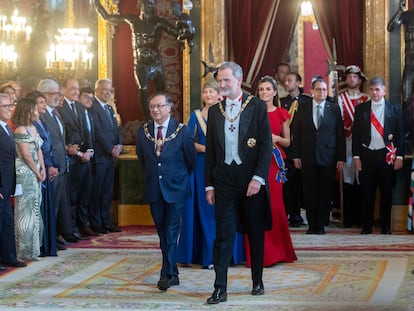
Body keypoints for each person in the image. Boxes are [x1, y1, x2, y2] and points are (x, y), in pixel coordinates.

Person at [204, 62, 272, 304]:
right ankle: (219, 288)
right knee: (223, 234)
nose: (221, 85)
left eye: (226, 81)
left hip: (250, 179)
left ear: (239, 79)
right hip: (224, 180)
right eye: (219, 81)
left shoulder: (255, 106)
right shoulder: (214, 111)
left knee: (254, 232)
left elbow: (266, 145)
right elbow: (211, 151)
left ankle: (257, 280)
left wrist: (258, 178)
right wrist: (209, 185)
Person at [176, 79, 245, 269]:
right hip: (200, 167)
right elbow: (188, 141)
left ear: (219, 94)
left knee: (224, 212)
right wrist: (208, 149)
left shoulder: (228, 113)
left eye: (211, 92)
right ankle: (206, 255)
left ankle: (229, 254)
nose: (208, 95)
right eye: (205, 92)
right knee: (204, 211)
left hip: (224, 166)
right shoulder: (196, 116)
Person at [93, 0, 195, 120]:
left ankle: (161, 118)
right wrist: (96, 2)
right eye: (147, 4)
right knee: (143, 89)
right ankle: (148, 120)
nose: (149, 7)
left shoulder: (158, 22)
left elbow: (177, 33)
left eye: (152, 5)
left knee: (161, 90)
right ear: (140, 5)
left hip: (156, 62)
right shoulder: (133, 20)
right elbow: (107, 17)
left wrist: (185, 22)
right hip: (141, 62)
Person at [136, 93, 196, 291]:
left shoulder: (182, 131)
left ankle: (166, 273)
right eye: (152, 106)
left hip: (176, 189)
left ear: (169, 108)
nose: (156, 110)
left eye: (160, 106)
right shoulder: (143, 132)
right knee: (162, 232)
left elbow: (191, 161)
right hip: (154, 189)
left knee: (171, 232)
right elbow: (143, 161)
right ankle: (173, 273)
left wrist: (177, 177)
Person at [243, 75, 297, 267]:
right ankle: (259, 252)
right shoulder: (250, 111)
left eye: (268, 89)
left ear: (275, 92)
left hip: (274, 162)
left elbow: (288, 141)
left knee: (274, 205)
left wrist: (274, 138)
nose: (264, 92)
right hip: (254, 161)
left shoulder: (282, 113)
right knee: (255, 204)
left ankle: (278, 251)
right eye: (261, 89)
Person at [292, 77, 345, 235]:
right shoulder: (302, 108)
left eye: (324, 89)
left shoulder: (334, 108)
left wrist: (341, 158)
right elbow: (297, 134)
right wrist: (296, 156)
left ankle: (321, 225)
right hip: (307, 157)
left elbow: (340, 135)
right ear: (312, 91)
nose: (322, 92)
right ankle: (312, 225)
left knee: (325, 193)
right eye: (318, 89)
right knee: (309, 193)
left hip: (328, 158)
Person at [352, 77, 405, 234]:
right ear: (369, 91)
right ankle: (366, 226)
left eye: (377, 89)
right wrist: (356, 157)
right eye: (372, 89)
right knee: (366, 192)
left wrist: (400, 157)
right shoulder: (361, 109)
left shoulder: (395, 109)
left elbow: (401, 135)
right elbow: (355, 135)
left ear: (384, 91)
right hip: (367, 155)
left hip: (386, 155)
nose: (374, 92)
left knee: (386, 192)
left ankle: (385, 226)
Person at [38, 79, 78, 246]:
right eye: (55, 94)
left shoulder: (56, 113)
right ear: (45, 95)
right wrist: (49, 165)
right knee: (51, 206)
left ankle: (57, 235)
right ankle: (49, 238)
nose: (58, 97)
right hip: (51, 167)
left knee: (60, 204)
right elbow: (45, 144)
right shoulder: (41, 115)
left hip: (61, 166)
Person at [58, 79, 97, 238]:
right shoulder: (61, 108)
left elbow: (85, 132)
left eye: (77, 89)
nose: (75, 92)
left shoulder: (80, 106)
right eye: (72, 88)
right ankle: (71, 228)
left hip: (84, 158)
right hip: (71, 158)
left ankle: (82, 225)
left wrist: (89, 150)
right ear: (64, 89)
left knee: (84, 194)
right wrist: (70, 149)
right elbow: (63, 133)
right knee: (72, 196)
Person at [12, 97, 46, 261]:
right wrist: (36, 171)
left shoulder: (33, 127)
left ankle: (34, 249)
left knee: (35, 210)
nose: (37, 111)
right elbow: (26, 155)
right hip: (25, 174)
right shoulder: (20, 130)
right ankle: (23, 250)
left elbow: (39, 150)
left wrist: (43, 169)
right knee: (25, 212)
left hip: (36, 172)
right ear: (27, 110)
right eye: (34, 109)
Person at [27, 91, 60, 254]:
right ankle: (41, 245)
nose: (44, 105)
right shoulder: (31, 124)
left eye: (44, 102)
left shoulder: (43, 121)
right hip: (41, 169)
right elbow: (38, 149)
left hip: (48, 167)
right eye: (40, 102)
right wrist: (47, 166)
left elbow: (50, 145)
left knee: (48, 206)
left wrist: (54, 165)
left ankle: (48, 243)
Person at [89, 78, 123, 234]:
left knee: (108, 192)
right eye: (104, 90)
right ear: (97, 90)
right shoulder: (92, 108)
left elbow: (116, 130)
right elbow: (97, 132)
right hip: (100, 157)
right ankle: (96, 224)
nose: (107, 93)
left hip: (110, 157)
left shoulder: (109, 109)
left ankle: (106, 221)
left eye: (110, 91)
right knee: (98, 192)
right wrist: (110, 148)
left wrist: (119, 144)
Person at [338, 65, 369, 227]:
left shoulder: (367, 98)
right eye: (349, 77)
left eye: (355, 77)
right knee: (348, 178)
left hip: (363, 145)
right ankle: (348, 218)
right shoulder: (340, 98)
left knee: (361, 178)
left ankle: (362, 217)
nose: (352, 79)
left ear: (360, 80)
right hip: (346, 142)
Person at [280, 72, 311, 227]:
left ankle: (302, 213)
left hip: (304, 147)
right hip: (287, 149)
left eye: (290, 80)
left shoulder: (306, 101)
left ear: (298, 82)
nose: (287, 83)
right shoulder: (281, 102)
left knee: (303, 185)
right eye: (285, 80)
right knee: (289, 184)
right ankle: (292, 215)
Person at [0, 93, 27, 270]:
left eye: (12, 105)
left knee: (7, 221)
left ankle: (9, 256)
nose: (11, 108)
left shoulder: (6, 128)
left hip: (8, 181)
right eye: (6, 106)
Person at [388, 0, 414, 106]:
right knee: (406, 99)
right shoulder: (407, 15)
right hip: (410, 64)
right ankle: (405, 122)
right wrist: (400, 10)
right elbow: (391, 27)